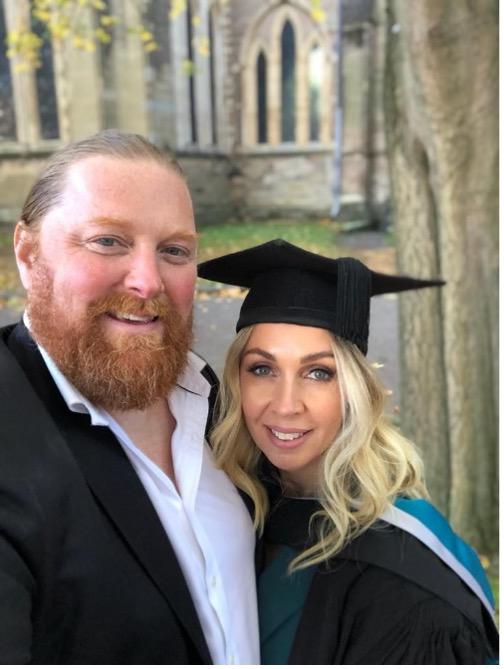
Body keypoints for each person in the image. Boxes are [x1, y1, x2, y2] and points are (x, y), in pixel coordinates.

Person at [0, 130, 259, 664]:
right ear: (27, 253)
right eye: (108, 241)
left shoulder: (216, 403)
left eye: (174, 251)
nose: (148, 280)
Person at [198, 239, 499, 665]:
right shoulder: (237, 505)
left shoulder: (406, 578)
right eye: (262, 369)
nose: (285, 404)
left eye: (318, 372)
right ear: (237, 380)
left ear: (355, 390)